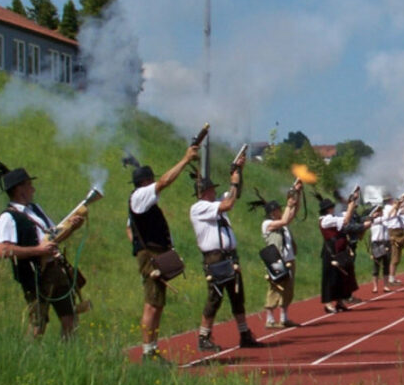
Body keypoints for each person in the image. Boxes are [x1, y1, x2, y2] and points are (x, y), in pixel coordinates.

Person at [0, 154, 86, 339]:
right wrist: (38, 251)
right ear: (20, 189)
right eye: (28, 184)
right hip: (35, 275)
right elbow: (3, 250)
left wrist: (73, 227)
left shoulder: (36, 209)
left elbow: (53, 237)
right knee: (37, 325)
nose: (32, 188)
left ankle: (67, 357)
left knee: (70, 318)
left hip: (56, 269)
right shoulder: (7, 217)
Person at [127, 144, 197, 361]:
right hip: (152, 256)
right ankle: (148, 352)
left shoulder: (140, 200)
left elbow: (129, 228)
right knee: (151, 304)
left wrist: (139, 246)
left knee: (157, 304)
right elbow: (165, 181)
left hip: (154, 254)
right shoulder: (140, 196)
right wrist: (185, 160)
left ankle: (153, 349)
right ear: (145, 182)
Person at [189, 150, 263, 351]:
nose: (214, 192)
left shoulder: (214, 204)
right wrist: (233, 180)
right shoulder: (199, 208)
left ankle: (244, 333)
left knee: (237, 296)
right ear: (204, 192)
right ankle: (204, 337)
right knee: (215, 298)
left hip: (229, 257)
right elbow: (229, 201)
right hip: (215, 258)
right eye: (211, 189)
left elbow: (235, 194)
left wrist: (239, 171)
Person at [260, 181, 301, 329]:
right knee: (275, 288)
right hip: (276, 260)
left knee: (288, 289)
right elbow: (285, 219)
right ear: (272, 212)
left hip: (289, 259)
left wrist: (298, 194)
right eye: (278, 209)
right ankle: (270, 319)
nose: (280, 210)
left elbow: (293, 213)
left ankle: (284, 318)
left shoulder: (281, 224)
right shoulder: (267, 224)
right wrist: (289, 205)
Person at [369, 196, 393, 293]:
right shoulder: (373, 221)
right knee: (376, 265)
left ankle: (386, 286)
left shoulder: (384, 220)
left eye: (380, 211)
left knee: (386, 265)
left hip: (385, 242)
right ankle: (375, 287)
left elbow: (388, 216)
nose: (379, 213)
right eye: (376, 211)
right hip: (376, 244)